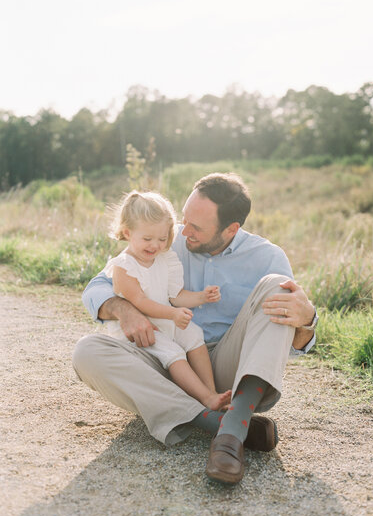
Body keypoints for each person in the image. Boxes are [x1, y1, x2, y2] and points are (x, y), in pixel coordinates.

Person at [73, 172, 318, 485]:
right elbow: (97, 287)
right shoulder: (162, 238)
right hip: (163, 362)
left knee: (278, 288)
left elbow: (290, 344)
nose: (182, 231)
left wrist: (307, 319)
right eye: (184, 219)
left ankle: (230, 427)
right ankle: (225, 424)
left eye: (196, 227)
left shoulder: (268, 257)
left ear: (231, 229)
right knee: (87, 352)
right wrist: (125, 309)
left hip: (231, 369)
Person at [102, 190, 231, 411]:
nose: (155, 245)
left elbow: (176, 296)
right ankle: (205, 398)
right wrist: (172, 314)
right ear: (127, 232)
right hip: (141, 329)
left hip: (163, 320)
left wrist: (202, 296)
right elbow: (140, 302)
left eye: (162, 239)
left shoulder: (166, 258)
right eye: (147, 239)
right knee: (174, 353)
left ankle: (211, 392)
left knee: (194, 335)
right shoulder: (124, 267)